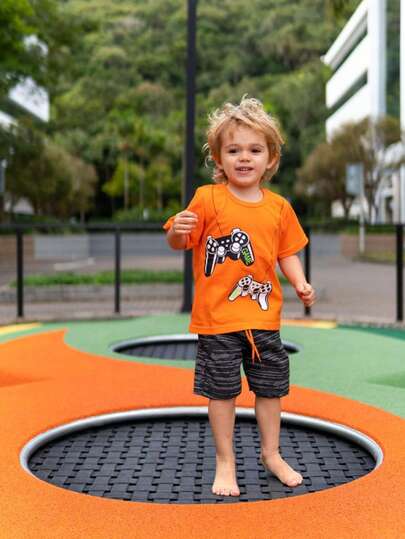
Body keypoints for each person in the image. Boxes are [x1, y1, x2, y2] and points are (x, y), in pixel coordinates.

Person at [163, 95, 316, 497]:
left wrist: (300, 282)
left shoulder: (279, 208)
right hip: (218, 321)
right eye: (233, 150)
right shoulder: (207, 198)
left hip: (263, 318)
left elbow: (287, 252)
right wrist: (177, 230)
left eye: (254, 150)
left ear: (270, 159)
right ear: (219, 158)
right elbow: (180, 241)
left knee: (270, 389)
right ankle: (225, 461)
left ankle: (272, 454)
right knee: (222, 392)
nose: (244, 157)